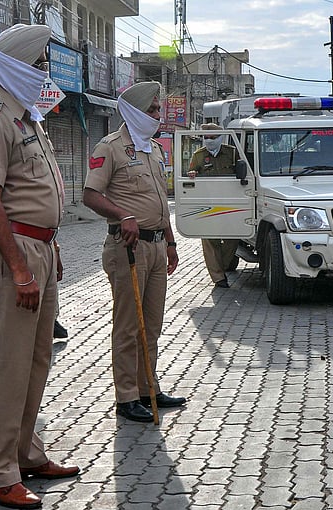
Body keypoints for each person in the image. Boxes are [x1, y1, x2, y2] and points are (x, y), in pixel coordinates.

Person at [0, 23, 79, 510]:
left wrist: (48, 249)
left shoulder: (25, 116)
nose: (44, 72)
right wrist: (22, 269)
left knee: (36, 360)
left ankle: (27, 455)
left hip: (38, 250)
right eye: (39, 64)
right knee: (9, 365)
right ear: (15, 67)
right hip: (16, 255)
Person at [82, 81, 185, 423]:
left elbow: (158, 201)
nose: (158, 115)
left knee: (151, 324)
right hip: (128, 247)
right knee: (128, 325)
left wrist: (170, 242)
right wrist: (120, 215)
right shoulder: (110, 147)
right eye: (154, 110)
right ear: (137, 112)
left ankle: (148, 388)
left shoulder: (154, 149)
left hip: (156, 245)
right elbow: (91, 195)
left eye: (158, 109)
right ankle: (126, 396)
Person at [187, 123, 239, 288]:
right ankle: (218, 277)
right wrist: (192, 175)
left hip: (229, 203)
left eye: (213, 137)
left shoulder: (231, 152)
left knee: (233, 237)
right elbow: (190, 175)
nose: (209, 141)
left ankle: (223, 265)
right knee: (210, 240)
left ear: (220, 137)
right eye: (206, 137)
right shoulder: (199, 155)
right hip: (208, 204)